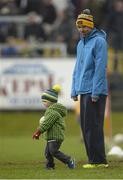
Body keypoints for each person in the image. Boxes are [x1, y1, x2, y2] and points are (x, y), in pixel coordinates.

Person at [71, 9, 109, 168]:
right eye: (79, 27)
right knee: (86, 127)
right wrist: (74, 89)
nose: (82, 30)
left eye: (84, 27)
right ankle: (92, 159)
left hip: (95, 92)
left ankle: (99, 161)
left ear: (91, 26)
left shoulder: (99, 41)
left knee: (93, 127)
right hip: (83, 91)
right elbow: (77, 69)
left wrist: (96, 91)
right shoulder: (81, 43)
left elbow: (100, 68)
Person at [33, 84, 75, 170]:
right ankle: (50, 166)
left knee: (53, 151)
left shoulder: (52, 112)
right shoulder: (51, 111)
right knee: (48, 153)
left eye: (44, 101)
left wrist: (38, 132)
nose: (43, 103)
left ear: (50, 101)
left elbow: (47, 123)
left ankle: (69, 160)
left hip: (56, 136)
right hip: (51, 136)